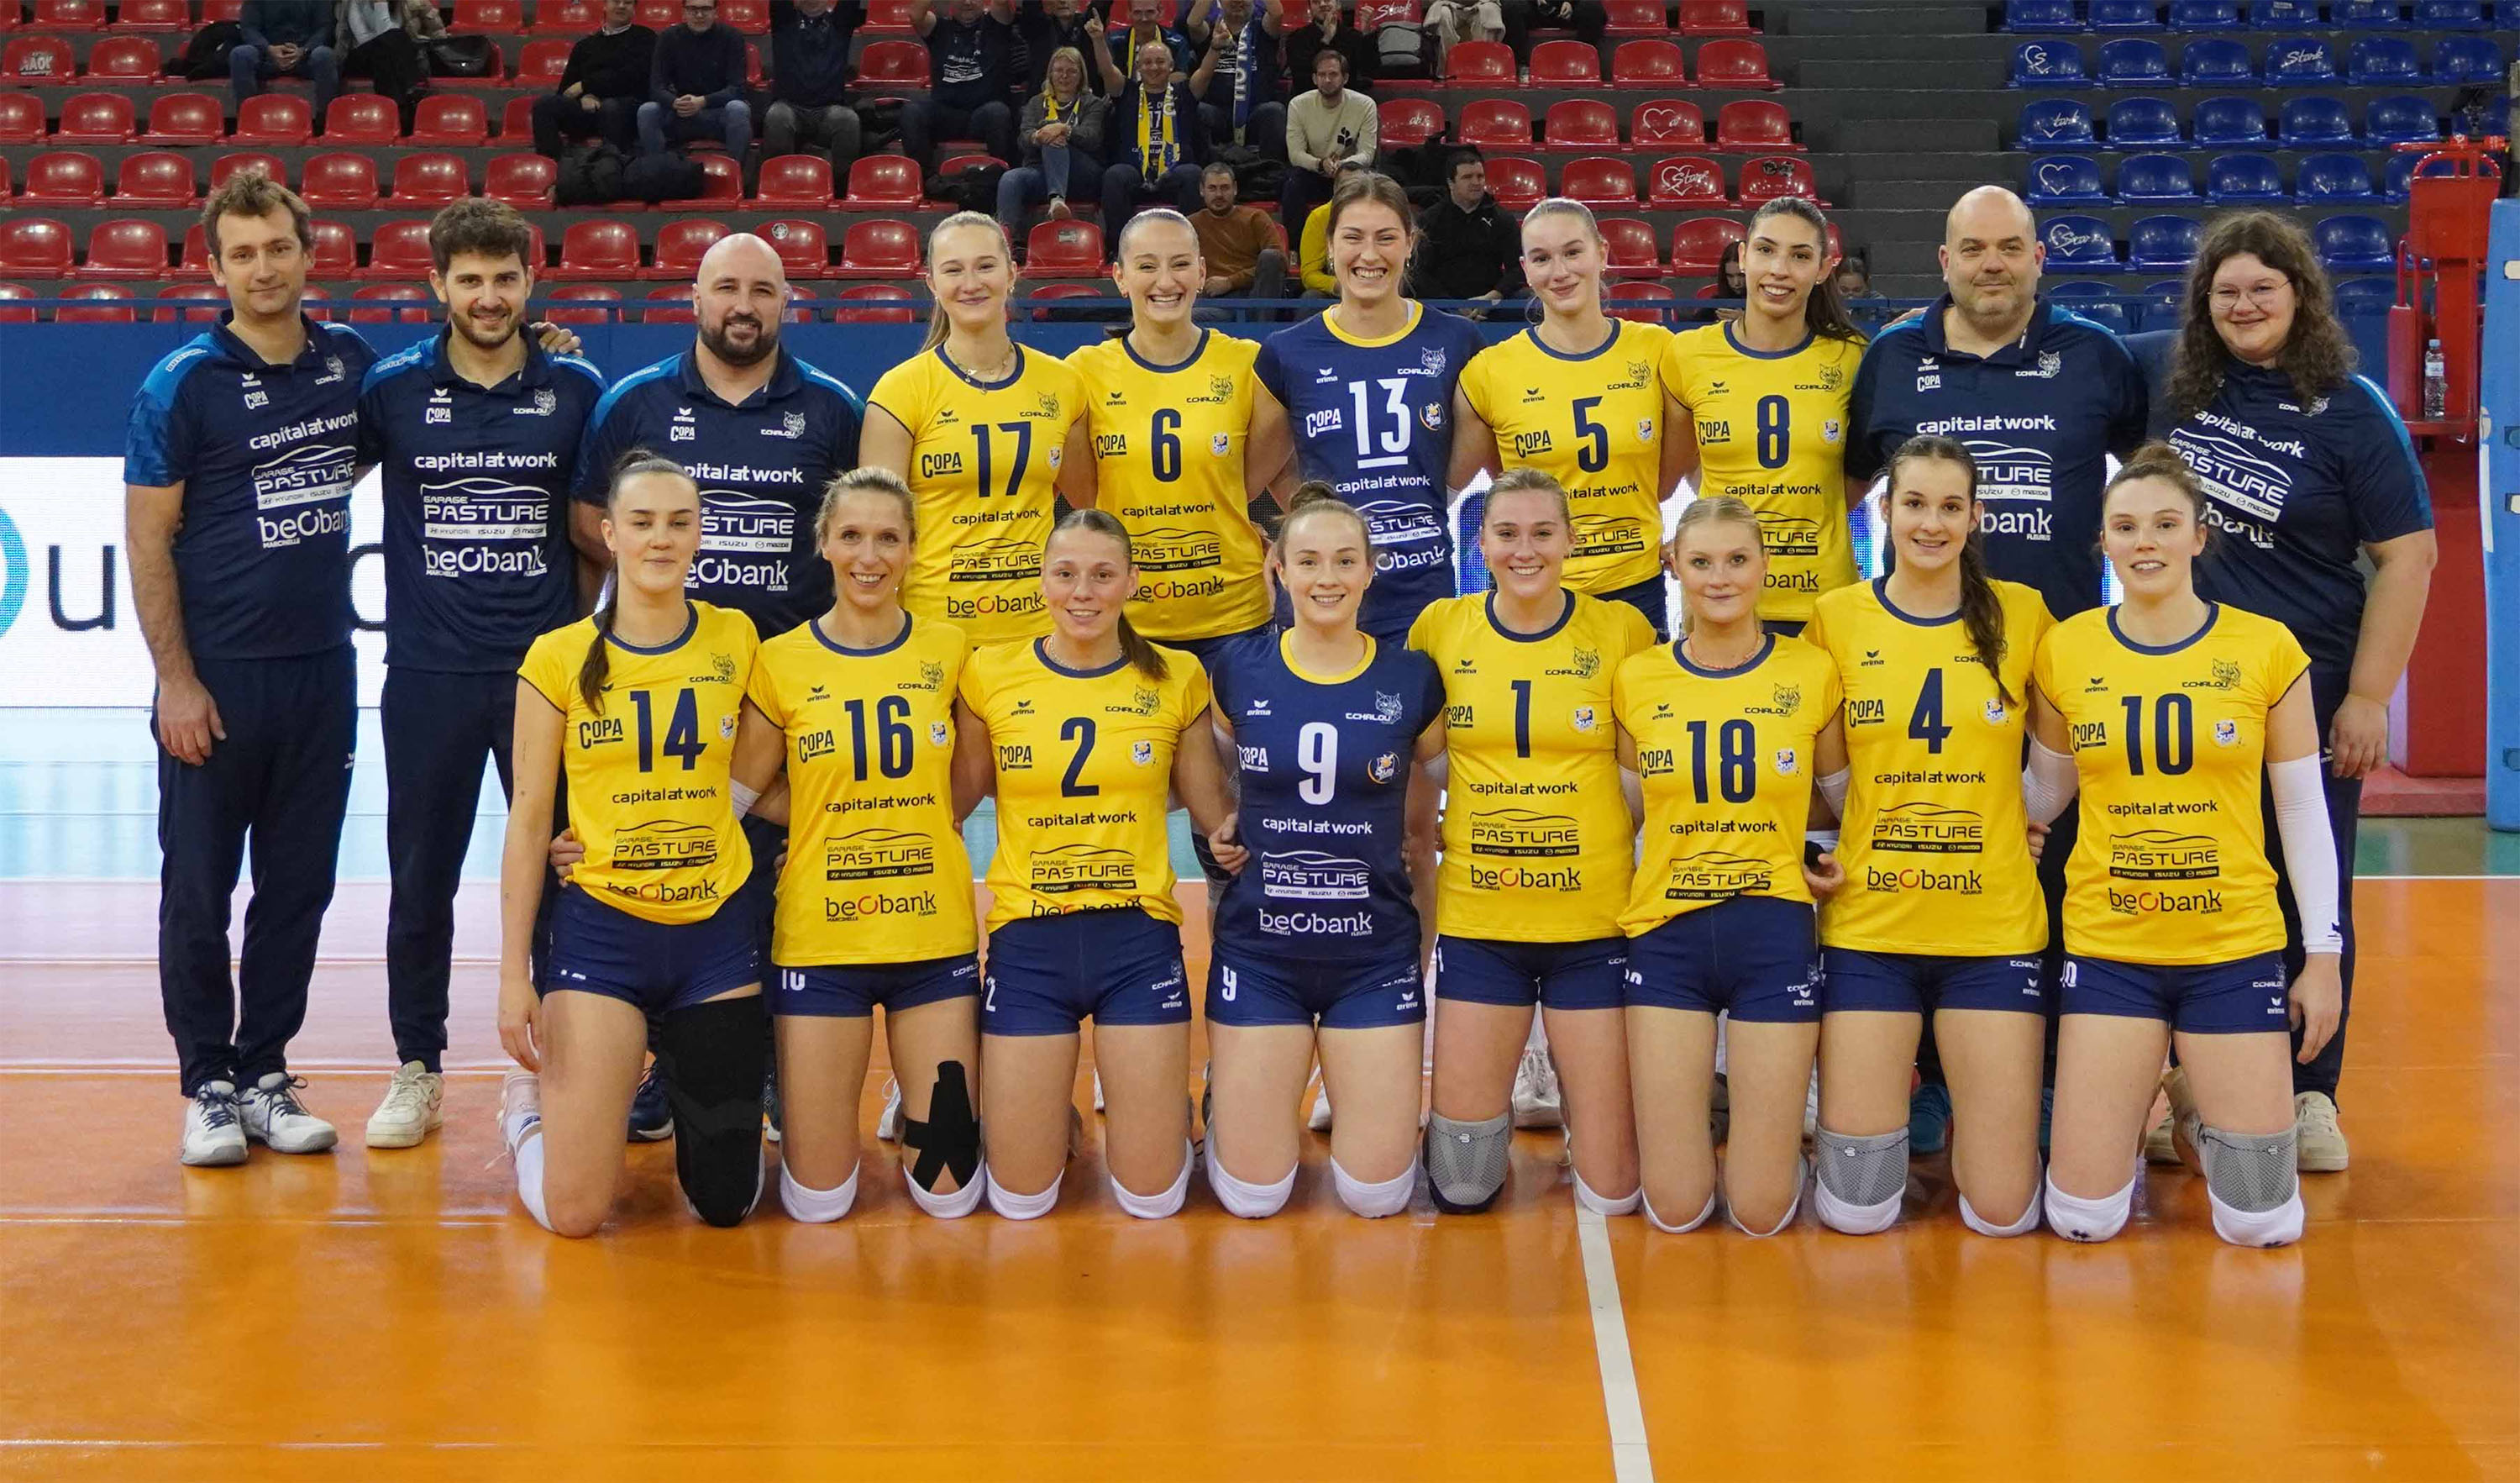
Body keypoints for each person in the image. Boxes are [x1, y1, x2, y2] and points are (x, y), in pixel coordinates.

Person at [1845, 183, 2149, 1154]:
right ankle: (1931, 1079)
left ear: (2037, 258)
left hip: (2054, 671)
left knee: (2054, 876)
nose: (1991, 264)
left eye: (2010, 247)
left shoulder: (2096, 356)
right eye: (1973, 248)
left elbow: (2149, 483)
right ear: (1944, 261)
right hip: (1916, 672)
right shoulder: (1892, 356)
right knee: (1929, 869)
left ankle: (2050, 1076)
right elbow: (1849, 487)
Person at [2149, 210, 2435, 1172]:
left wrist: (2370, 695)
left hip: (2308, 691)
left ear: (2300, 295)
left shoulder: (2350, 408)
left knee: (2309, 886)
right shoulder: (2176, 391)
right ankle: (2181, 1085)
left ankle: (2312, 1091)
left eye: (2262, 288)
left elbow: (2409, 557)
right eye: (2225, 291)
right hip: (2187, 688)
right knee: (2180, 875)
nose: (2243, 306)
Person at [575, 232, 864, 1136]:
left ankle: (770, 1066)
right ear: (695, 299)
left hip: (789, 697)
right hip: (668, 696)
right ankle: (669, 1067)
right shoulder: (634, 402)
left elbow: (859, 537)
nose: (744, 305)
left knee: (781, 882)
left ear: (788, 303)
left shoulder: (832, 409)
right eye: (727, 287)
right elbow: (587, 520)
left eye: (763, 290)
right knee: (672, 870)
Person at [2024, 447, 2343, 1249]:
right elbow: (2045, 792)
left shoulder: (2266, 647)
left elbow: (2302, 808)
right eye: (2126, 526)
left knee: (2261, 1221)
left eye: (2166, 524)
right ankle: (2135, 1095)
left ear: (2200, 536)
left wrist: (2323, 955)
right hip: (2111, 949)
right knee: (2084, 1219)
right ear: (2103, 541)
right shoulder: (2066, 649)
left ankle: (2196, 1112)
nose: (2146, 542)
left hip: (2230, 949)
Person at [127, 168, 374, 1167]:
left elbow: (396, 430)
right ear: (216, 267)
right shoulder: (182, 382)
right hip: (218, 682)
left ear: (310, 254)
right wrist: (176, 681)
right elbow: (148, 540)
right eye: (243, 253)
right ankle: (207, 1085)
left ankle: (265, 1072)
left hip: (321, 673)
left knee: (296, 888)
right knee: (198, 892)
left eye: (278, 247)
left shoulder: (350, 361)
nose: (263, 268)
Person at [353, 200, 606, 1150]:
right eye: (470, 280)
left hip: (546, 679)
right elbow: (314, 479)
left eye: (505, 278)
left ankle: (561, 1065)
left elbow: (597, 529)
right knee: (421, 879)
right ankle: (417, 1066)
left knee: (566, 874)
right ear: (438, 286)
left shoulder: (576, 386)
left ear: (531, 282)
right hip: (429, 675)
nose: (489, 296)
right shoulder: (391, 389)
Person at [497, 455, 779, 1237]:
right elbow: (529, 818)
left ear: (699, 534)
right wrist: (514, 974)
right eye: (643, 522)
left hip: (715, 937)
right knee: (576, 1214)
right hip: (603, 935)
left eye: (679, 522)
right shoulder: (557, 656)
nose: (662, 538)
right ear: (609, 534)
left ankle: (684, 1090)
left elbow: (769, 768)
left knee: (726, 1204)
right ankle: (528, 1118)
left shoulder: (736, 636)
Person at [952, 508, 1245, 1219]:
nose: (1082, 592)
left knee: (1154, 1197)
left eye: (1103, 574)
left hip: (1137, 941)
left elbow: (1214, 812)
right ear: (1042, 579)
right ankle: (1050, 1110)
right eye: (1066, 573)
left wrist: (1318, 827)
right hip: (1029, 939)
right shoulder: (989, 672)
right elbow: (953, 802)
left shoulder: (1176, 675)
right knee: (1020, 1198)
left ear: (1132, 581)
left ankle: (1157, 1107)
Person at [1799, 436, 2052, 1238]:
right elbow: (1830, 777)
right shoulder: (1837, 618)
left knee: (2003, 1209)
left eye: (1950, 506)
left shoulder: (2023, 612)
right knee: (1856, 1205)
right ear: (1885, 510)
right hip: (1871, 928)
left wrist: (2012, 816)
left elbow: (2056, 759)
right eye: (1914, 504)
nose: (1931, 523)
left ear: (1977, 517)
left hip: (1992, 930)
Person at [738, 468, 988, 1221]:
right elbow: (738, 792)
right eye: (851, 536)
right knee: (819, 1200)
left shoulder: (951, 650)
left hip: (929, 936)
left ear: (913, 549)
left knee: (950, 1192)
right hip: (822, 941)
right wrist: (822, 813)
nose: (869, 556)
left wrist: (914, 815)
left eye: (887, 538)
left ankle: (915, 1099)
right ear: (824, 543)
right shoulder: (780, 659)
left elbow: (966, 782)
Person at [1410, 469, 1654, 1215]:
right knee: (1461, 1183)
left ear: (1570, 541)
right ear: (1480, 543)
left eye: (1543, 533)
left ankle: (1589, 1116)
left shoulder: (1621, 630)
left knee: (1615, 1191)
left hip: (1592, 925)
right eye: (1507, 533)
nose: (1525, 550)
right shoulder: (1441, 628)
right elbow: (1430, 766)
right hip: (1483, 924)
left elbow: (1640, 783)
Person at [1201, 486, 1446, 1218]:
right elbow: (1219, 769)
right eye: (1308, 561)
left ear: (1371, 570)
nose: (1327, 577)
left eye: (1345, 560)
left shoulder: (1412, 677)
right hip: (1261, 953)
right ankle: (1235, 1106)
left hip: (1371, 956)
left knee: (1376, 1194)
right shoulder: (1238, 668)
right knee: (1254, 1195)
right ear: (1278, 569)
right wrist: (1224, 822)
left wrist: (1419, 952)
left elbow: (1427, 820)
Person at [1614, 496, 1844, 1236]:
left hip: (1773, 935)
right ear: (1673, 567)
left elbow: (1840, 802)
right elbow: (1626, 810)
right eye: (1702, 561)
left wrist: (1819, 856)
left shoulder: (1812, 669)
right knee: (1676, 1207)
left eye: (1738, 559)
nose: (1720, 577)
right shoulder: (1638, 677)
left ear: (1765, 565)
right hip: (1667, 934)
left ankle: (1768, 1142)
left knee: (1760, 1209)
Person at [1259, 170, 1487, 646]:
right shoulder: (1287, 351)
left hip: (1423, 591)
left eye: (1386, 238)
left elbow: (1475, 451)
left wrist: (1437, 497)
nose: (1369, 255)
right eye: (1353, 238)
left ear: (1409, 244)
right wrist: (1319, 524)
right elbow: (1267, 467)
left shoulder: (1457, 340)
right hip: (1322, 594)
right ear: (1330, 246)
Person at [1453, 197, 1692, 638]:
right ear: (1525, 270)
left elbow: (1681, 474)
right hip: (1534, 589)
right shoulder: (1490, 371)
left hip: (1635, 587)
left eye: (1573, 252)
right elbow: (1489, 485)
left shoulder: (1659, 351)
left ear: (1602, 253)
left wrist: (1698, 534)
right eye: (1542, 259)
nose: (1559, 272)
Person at [1063, 208, 1289, 656]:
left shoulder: (1248, 363)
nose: (1165, 281)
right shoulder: (1082, 373)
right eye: (1147, 266)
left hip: (1235, 618)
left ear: (1202, 272)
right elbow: (1086, 497)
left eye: (1180, 264)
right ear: (1120, 277)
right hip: (1125, 621)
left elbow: (1254, 482)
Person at [863, 213, 1086, 648]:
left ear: (1012, 273)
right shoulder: (900, 390)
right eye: (953, 270)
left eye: (985, 266)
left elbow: (1084, 503)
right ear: (931, 283)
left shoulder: (1063, 384)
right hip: (933, 635)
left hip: (1040, 636)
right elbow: (877, 532)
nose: (971, 283)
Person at [1662, 198, 1867, 639]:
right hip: (1719, 598)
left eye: (1800, 256)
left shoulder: (1852, 357)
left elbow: (1857, 477)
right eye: (1766, 250)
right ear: (1743, 257)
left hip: (1820, 597)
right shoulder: (1688, 354)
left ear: (1823, 269)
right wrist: (1722, 526)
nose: (1779, 270)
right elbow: (1678, 467)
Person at [1089, 30, 1217, 250]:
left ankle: (1189, 247)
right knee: (1114, 175)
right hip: (1136, 174)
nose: (1154, 67)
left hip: (1174, 173)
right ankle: (1119, 249)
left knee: (1193, 173)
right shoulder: (1126, 91)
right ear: (1138, 67)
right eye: (1147, 62)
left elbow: (1205, 73)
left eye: (1160, 62)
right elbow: (1107, 70)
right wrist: (1098, 39)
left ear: (1171, 66)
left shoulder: (1185, 92)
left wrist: (1215, 47)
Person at [998, 45, 1106, 230]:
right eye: (1059, 70)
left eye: (1071, 71)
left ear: (1081, 76)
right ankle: (1008, 238)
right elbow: (1023, 140)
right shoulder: (1036, 102)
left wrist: (1064, 129)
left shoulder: (1092, 103)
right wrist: (1038, 136)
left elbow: (1092, 137)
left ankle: (1057, 199)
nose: (1064, 76)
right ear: (1050, 74)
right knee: (1010, 179)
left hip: (1081, 174)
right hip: (1042, 171)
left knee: (1056, 140)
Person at [902, 0, 1020, 171]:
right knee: (912, 112)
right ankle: (923, 178)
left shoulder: (996, 24)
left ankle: (1000, 177)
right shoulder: (939, 28)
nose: (967, 2)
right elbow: (915, 15)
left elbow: (1002, 4)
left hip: (983, 114)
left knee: (998, 112)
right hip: (946, 113)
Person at [531, 0, 656, 158]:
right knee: (544, 105)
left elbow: (633, 77)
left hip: (626, 110)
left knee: (611, 107)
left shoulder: (646, 38)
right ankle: (554, 165)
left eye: (628, 2)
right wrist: (585, 96)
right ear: (605, 5)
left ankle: (614, 165)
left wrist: (586, 86)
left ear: (634, 9)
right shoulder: (585, 46)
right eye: (616, 1)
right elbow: (566, 90)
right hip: (589, 110)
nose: (621, 6)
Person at [638, 0, 753, 163]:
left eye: (705, 9)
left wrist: (702, 101)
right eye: (693, 9)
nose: (699, 15)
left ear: (715, 12)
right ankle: (657, 169)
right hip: (680, 112)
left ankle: (736, 172)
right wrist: (675, 102)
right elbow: (656, 87)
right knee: (648, 110)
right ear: (684, 12)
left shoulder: (732, 37)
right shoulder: (668, 37)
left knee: (738, 109)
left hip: (718, 113)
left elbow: (737, 89)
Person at [1281, 50, 1376, 247]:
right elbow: (1295, 154)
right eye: (1322, 75)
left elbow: (1367, 154)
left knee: (1371, 183)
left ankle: (1359, 246)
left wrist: (1343, 166)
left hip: (1349, 174)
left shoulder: (1365, 105)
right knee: (1292, 183)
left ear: (1345, 78)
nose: (1327, 80)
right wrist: (1320, 164)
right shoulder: (1298, 105)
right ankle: (1295, 249)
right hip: (1314, 172)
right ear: (1314, 78)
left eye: (1333, 74)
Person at [1408, 149, 1522, 309]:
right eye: (1467, 177)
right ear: (1451, 183)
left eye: (1480, 176)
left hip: (1492, 302)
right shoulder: (1429, 221)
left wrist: (1493, 297)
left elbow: (1517, 269)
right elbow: (1418, 272)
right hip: (1441, 304)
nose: (1476, 182)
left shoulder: (1502, 219)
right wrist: (1452, 306)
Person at [762, 0, 865, 167]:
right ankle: (778, 179)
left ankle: (841, 182)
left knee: (848, 120)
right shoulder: (784, 21)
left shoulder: (840, 24)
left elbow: (850, 4)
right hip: (789, 106)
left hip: (829, 109)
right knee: (777, 117)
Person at [1185, 0, 1289, 158]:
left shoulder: (1263, 29)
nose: (1238, 2)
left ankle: (1272, 168)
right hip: (1218, 113)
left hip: (1255, 112)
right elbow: (1193, 22)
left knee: (1275, 111)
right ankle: (1205, 169)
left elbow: (1277, 13)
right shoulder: (1212, 31)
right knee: (1199, 110)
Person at [1189, 160, 1289, 305]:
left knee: (1271, 256)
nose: (1219, 194)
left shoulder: (1256, 218)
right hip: (1212, 300)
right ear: (1201, 190)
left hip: (1253, 295)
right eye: (1212, 188)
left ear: (1235, 188)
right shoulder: (1189, 225)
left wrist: (1231, 282)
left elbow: (1279, 263)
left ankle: (1260, 320)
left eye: (1225, 188)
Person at [335, 0, 440, 134]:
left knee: (386, 51)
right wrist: (380, 4)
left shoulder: (402, 3)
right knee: (393, 39)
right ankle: (412, 88)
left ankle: (397, 110)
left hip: (386, 57)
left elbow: (391, 35)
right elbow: (364, 37)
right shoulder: (353, 3)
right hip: (358, 56)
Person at [231, 0, 339, 124]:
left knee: (325, 55)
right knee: (240, 54)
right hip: (267, 56)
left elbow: (324, 29)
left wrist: (304, 50)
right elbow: (249, 28)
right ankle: (248, 120)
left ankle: (325, 122)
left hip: (305, 56)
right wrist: (268, 49)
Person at [1295, 157, 1367, 297]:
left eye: (1359, 188)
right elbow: (1309, 274)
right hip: (1335, 289)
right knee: (1311, 296)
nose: (1353, 193)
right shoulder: (1318, 218)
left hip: (1371, 282)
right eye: (1346, 187)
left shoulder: (1377, 216)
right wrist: (1338, 286)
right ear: (1335, 189)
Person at [1284, 0, 1372, 97]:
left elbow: (1370, 71)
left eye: (1327, 0)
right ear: (1310, 8)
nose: (1322, 4)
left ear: (1338, 4)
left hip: (1348, 99)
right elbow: (1302, 80)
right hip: (1309, 99)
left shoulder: (1353, 36)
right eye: (1316, 2)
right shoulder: (1296, 39)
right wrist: (1326, 39)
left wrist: (1367, 35)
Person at [1016, 0, 1102, 97]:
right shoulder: (1038, 27)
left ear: (1078, 2)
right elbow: (1031, 8)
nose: (1062, 1)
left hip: (1084, 100)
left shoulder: (1088, 26)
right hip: (1042, 99)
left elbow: (1101, 6)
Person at [1100, 0, 1191, 75]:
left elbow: (1179, 80)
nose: (1144, 19)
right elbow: (1109, 77)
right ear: (1129, 14)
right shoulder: (1114, 42)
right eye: (1137, 13)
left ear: (1160, 13)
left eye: (1150, 12)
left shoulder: (1177, 43)